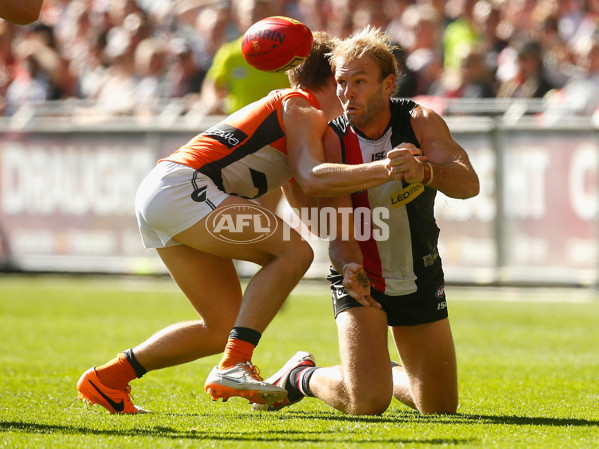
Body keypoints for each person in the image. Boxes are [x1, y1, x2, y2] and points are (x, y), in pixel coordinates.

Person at [76, 31, 400, 414]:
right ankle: (234, 364)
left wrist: (348, 255)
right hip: (184, 189)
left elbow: (306, 203)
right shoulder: (303, 108)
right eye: (346, 81)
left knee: (224, 325)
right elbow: (312, 179)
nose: (350, 93)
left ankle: (109, 377)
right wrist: (385, 169)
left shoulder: (301, 116)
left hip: (164, 192)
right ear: (333, 77)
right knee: (294, 253)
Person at [253, 26, 479, 416]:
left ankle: (374, 370)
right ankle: (300, 376)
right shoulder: (333, 139)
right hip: (362, 276)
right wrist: (350, 264)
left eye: (359, 81)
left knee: (440, 409)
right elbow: (339, 225)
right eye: (341, 82)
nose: (347, 92)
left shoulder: (420, 121)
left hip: (419, 272)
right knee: (367, 403)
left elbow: (468, 183)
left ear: (388, 84)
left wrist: (425, 172)